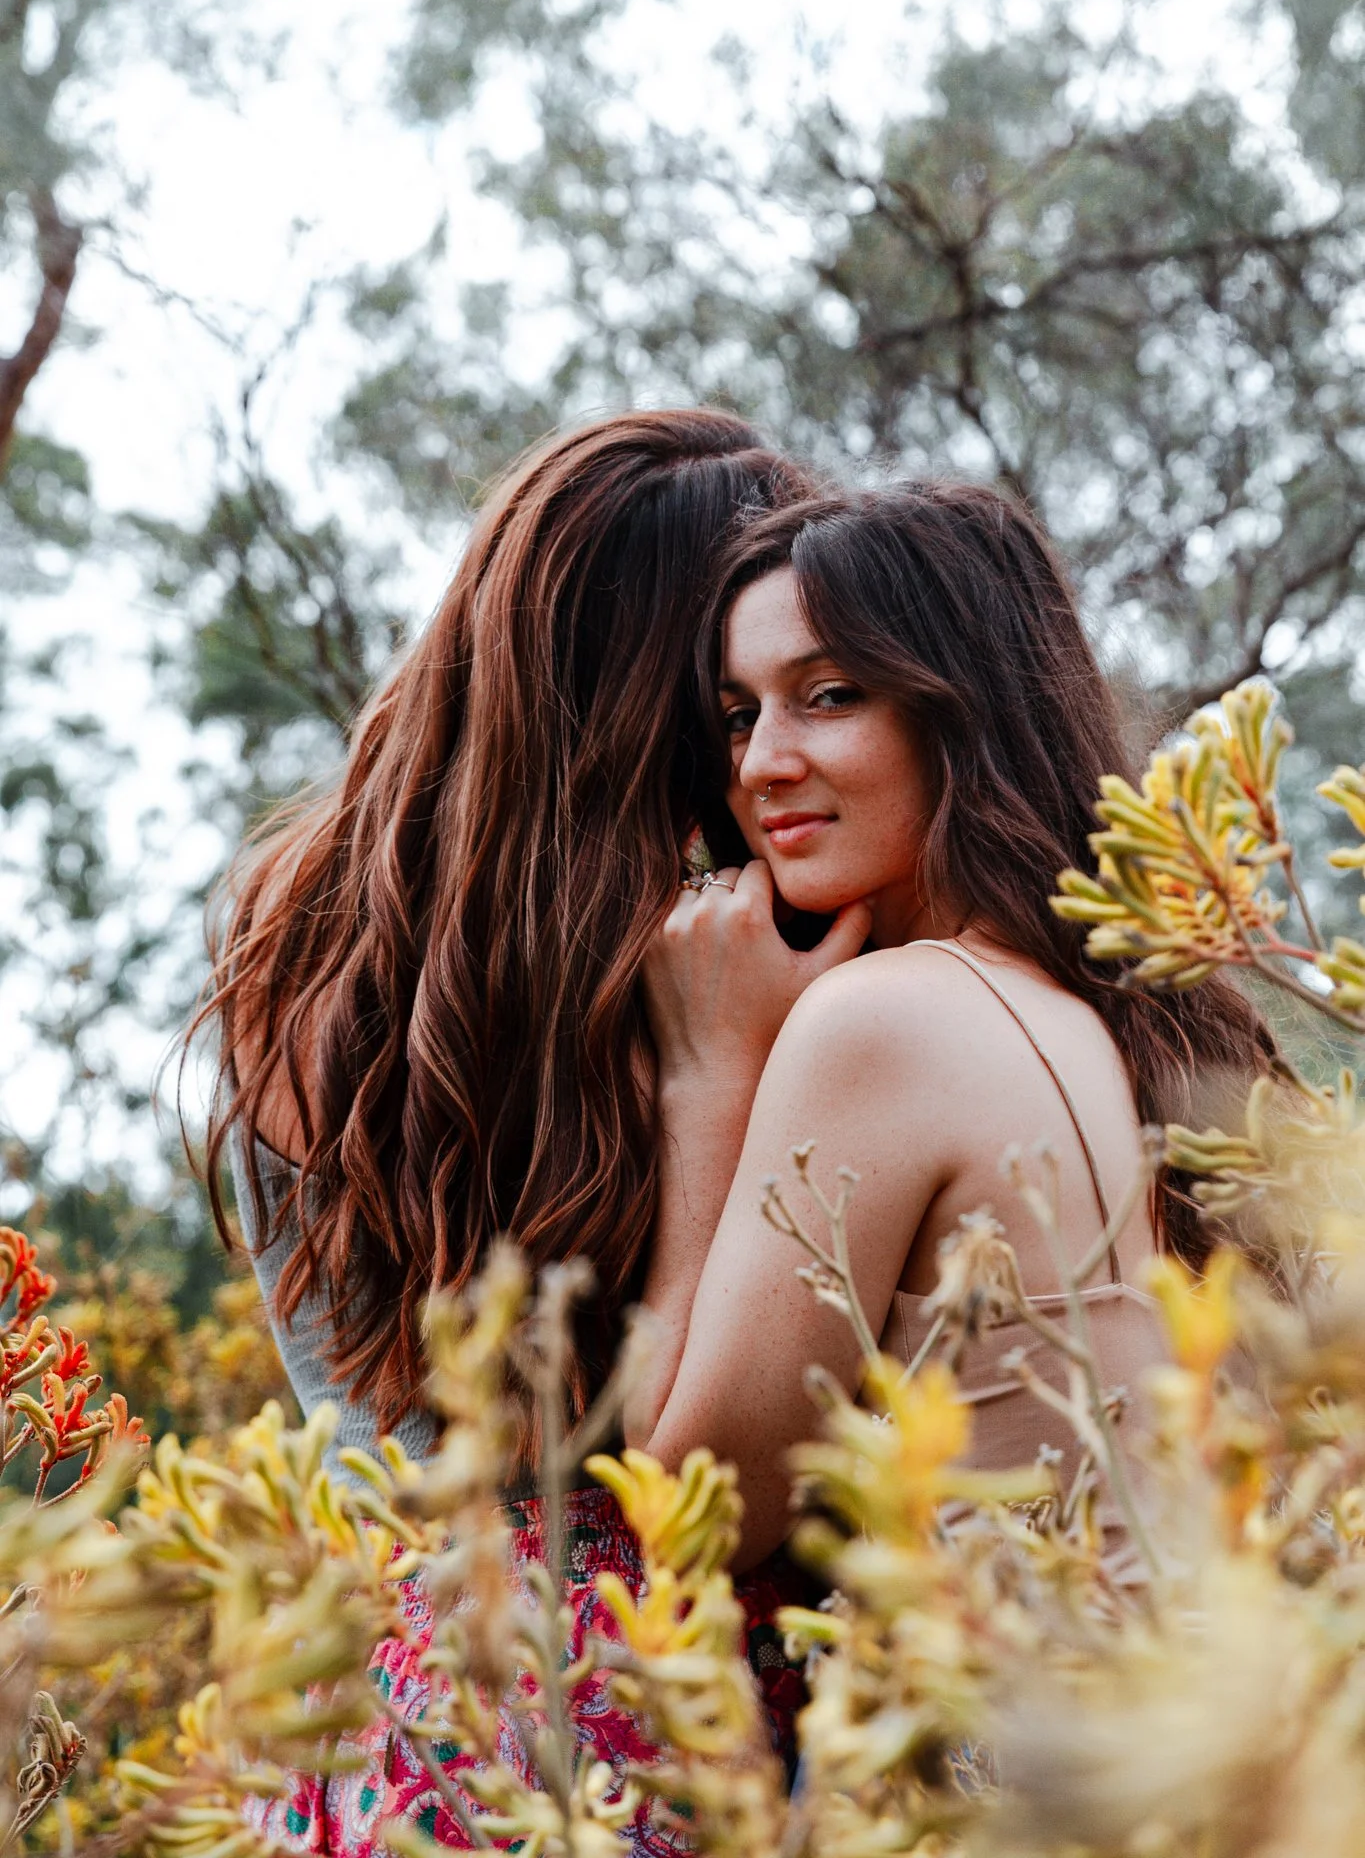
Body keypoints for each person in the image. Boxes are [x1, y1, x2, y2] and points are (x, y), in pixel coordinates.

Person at [189, 410, 869, 1853]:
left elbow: (373, 1467)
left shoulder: (297, 959)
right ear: (670, 725)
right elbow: (693, 1492)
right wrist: (714, 1092)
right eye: (739, 707)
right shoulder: (743, 982)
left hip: (362, 1755)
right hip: (620, 1751)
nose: (771, 756)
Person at [630, 481, 1273, 1569]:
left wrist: (706, 1076)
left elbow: (696, 1520)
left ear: (963, 706)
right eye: (740, 714)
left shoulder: (881, 1022)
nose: (759, 763)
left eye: (828, 694)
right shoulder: (1147, 1013)